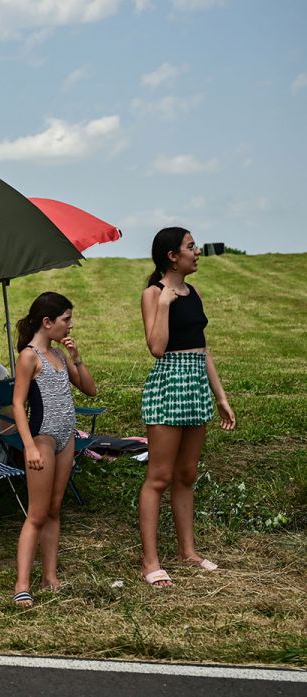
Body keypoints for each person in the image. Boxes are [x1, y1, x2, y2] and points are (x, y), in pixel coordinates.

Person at [138, 227, 235, 587]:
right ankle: (150, 562)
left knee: (187, 475)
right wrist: (164, 302)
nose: (197, 252)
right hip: (169, 382)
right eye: (190, 247)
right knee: (159, 477)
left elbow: (202, 347)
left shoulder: (195, 291)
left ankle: (187, 552)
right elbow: (157, 347)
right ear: (171, 256)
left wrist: (220, 396)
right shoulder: (152, 293)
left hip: (195, 383)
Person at [10, 292, 97, 607]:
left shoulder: (59, 356)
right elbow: (18, 405)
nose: (70, 326)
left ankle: (50, 576)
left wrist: (76, 358)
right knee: (37, 513)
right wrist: (29, 446)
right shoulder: (29, 357)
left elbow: (89, 389)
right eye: (66, 319)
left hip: (66, 437)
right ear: (47, 322)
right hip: (43, 437)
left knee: (55, 509)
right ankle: (22, 583)